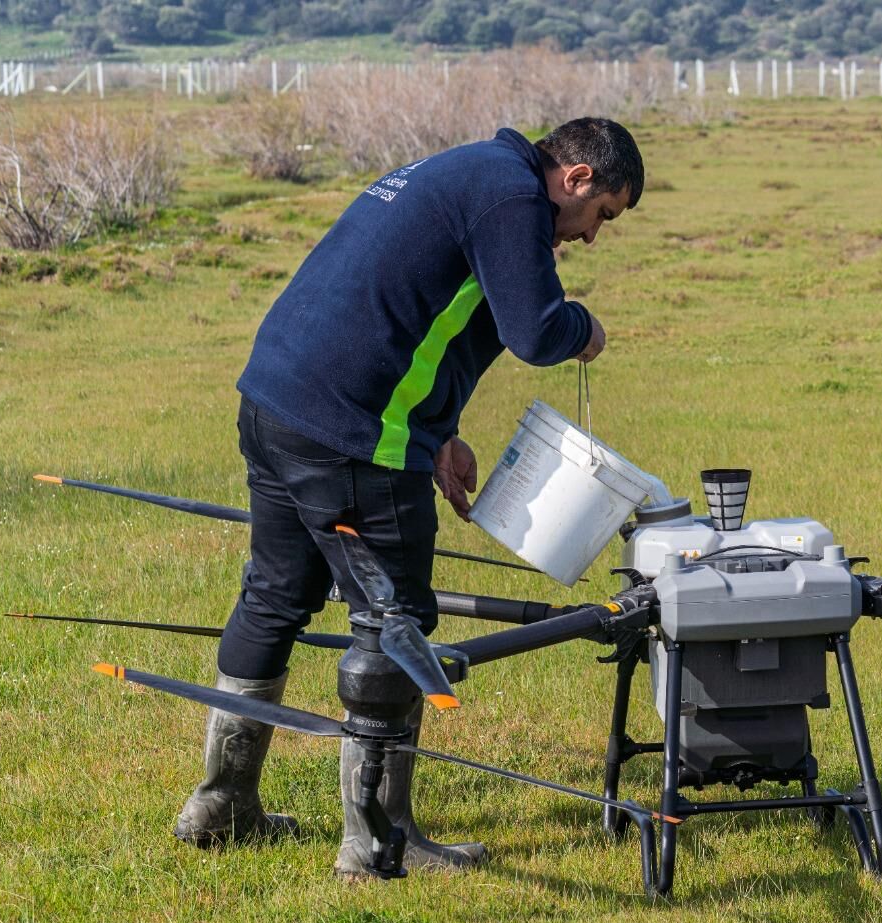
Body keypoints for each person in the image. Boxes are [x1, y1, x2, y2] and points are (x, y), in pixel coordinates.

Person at [171, 117, 644, 878]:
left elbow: (440, 318)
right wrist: (583, 327)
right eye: (603, 216)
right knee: (394, 623)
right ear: (579, 178)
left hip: (275, 403)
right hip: (350, 434)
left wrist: (440, 432)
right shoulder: (512, 199)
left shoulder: (473, 173)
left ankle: (222, 804)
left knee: (274, 597)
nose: (591, 237)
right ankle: (378, 844)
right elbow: (532, 328)